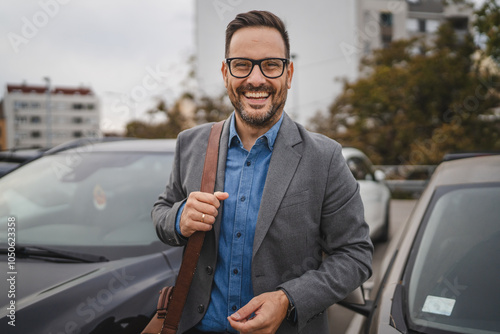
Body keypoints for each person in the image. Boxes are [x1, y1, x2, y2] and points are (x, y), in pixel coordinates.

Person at [152, 10, 373, 334]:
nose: (256, 79)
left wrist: (288, 299)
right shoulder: (190, 144)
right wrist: (179, 218)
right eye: (242, 64)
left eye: (270, 65)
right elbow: (160, 212)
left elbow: (356, 255)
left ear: (289, 73)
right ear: (226, 73)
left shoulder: (325, 158)